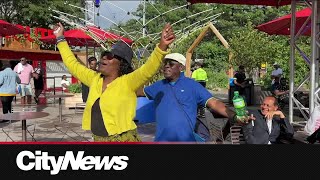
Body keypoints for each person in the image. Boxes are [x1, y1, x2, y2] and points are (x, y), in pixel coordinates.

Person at [53, 22, 175, 142]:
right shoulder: (94, 78)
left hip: (123, 140)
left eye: (110, 56)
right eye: (104, 55)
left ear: (121, 63)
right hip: (98, 140)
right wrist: (60, 38)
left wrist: (162, 46)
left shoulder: (127, 82)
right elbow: (72, 64)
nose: (104, 58)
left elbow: (148, 69)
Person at [137, 53, 240, 142]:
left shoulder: (192, 86)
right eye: (165, 64)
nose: (166, 66)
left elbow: (214, 103)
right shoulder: (158, 86)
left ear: (181, 67)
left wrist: (235, 116)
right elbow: (138, 92)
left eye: (171, 64)